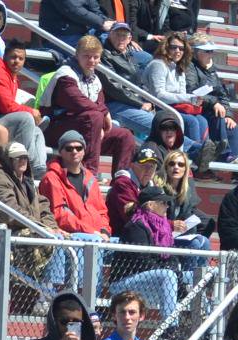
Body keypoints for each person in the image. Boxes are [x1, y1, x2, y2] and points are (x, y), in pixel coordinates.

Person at [48, 36, 137, 176]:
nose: (92, 61)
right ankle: (89, 174)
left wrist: (102, 118)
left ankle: (121, 182)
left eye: (95, 57)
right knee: (93, 116)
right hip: (57, 129)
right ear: (77, 55)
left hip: (87, 130)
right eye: (87, 56)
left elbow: (99, 104)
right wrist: (104, 115)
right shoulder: (65, 75)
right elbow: (80, 103)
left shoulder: (95, 78)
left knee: (124, 135)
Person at [41, 130, 110, 295]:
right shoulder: (51, 178)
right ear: (61, 151)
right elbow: (59, 214)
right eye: (68, 148)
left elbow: (102, 211)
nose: (74, 151)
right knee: (92, 241)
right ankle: (88, 296)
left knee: (121, 243)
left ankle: (95, 296)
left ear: (84, 151)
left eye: (78, 148)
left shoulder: (90, 178)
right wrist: (91, 231)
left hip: (96, 235)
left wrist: (104, 230)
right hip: (69, 234)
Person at [113, 186, 184, 321]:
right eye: (163, 202)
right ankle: (170, 327)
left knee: (194, 276)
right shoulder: (136, 226)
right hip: (125, 282)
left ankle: (202, 324)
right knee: (168, 275)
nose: (167, 206)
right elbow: (142, 262)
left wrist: (176, 271)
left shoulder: (164, 227)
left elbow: (172, 256)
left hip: (153, 277)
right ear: (151, 205)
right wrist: (168, 270)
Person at [183, 33, 238, 166]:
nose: (210, 55)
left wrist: (229, 115)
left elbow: (222, 94)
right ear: (195, 52)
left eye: (212, 51)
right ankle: (224, 153)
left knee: (233, 127)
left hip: (211, 108)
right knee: (218, 117)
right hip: (197, 108)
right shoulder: (189, 67)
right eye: (207, 51)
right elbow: (191, 90)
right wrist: (214, 103)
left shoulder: (211, 70)